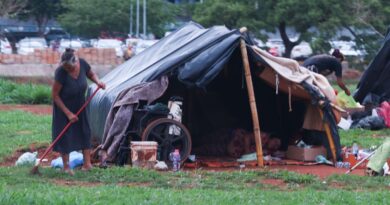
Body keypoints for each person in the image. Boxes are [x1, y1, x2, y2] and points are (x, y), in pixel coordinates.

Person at [52, 48, 106, 175]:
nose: (68, 70)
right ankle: (66, 167)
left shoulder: (82, 63)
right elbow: (55, 95)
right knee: (65, 135)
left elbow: (91, 74)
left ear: (76, 62)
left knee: (85, 131)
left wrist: (98, 82)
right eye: (66, 68)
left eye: (70, 68)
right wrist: (68, 113)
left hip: (80, 104)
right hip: (64, 107)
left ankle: (87, 164)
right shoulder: (61, 72)